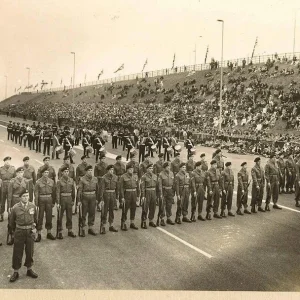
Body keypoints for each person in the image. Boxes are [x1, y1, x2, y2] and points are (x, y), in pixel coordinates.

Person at [9, 190, 38, 283]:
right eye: (24, 196)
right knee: (17, 252)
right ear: (20, 198)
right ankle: (16, 272)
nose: (26, 198)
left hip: (30, 232)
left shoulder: (32, 206)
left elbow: (36, 219)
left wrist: (34, 228)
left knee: (30, 251)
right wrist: (14, 232)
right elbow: (11, 222)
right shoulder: (15, 208)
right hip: (19, 231)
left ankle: (29, 269)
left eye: (27, 196)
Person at [34, 166, 57, 242]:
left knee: (49, 216)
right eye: (45, 173)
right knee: (40, 217)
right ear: (42, 173)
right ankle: (39, 234)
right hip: (41, 199)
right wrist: (36, 203)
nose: (46, 174)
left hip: (49, 199)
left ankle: (49, 233)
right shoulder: (38, 182)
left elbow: (54, 192)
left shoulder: (51, 181)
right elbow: (36, 193)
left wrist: (53, 201)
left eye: (47, 172)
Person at [77, 165, 99, 236]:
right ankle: (82, 228)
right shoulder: (82, 179)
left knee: (92, 212)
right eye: (89, 170)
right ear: (86, 171)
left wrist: (97, 199)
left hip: (93, 196)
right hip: (85, 197)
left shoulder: (95, 179)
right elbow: (80, 190)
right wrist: (79, 200)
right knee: (84, 213)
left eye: (91, 170)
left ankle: (90, 228)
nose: (90, 172)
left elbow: (97, 189)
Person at [56, 166, 76, 239]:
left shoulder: (71, 180)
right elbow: (57, 192)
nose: (66, 173)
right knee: (60, 216)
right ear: (62, 172)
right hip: (62, 199)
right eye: (65, 172)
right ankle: (60, 231)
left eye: (67, 172)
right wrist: (58, 202)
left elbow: (73, 191)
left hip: (69, 199)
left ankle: (70, 230)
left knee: (69, 215)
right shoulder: (59, 181)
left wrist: (73, 200)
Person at [119, 162, 140, 231]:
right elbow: (121, 188)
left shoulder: (135, 176)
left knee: (133, 208)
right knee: (125, 208)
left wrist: (138, 195)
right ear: (127, 169)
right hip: (127, 193)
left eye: (132, 169)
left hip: (134, 193)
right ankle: (123, 223)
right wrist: (122, 197)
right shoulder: (123, 177)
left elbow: (137, 186)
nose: (131, 170)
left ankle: (132, 222)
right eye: (130, 169)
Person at [99, 165, 118, 234]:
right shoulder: (104, 178)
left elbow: (117, 188)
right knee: (104, 211)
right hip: (106, 195)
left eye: (112, 170)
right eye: (110, 170)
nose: (111, 171)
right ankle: (103, 226)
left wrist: (117, 198)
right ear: (107, 170)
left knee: (111, 211)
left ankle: (111, 225)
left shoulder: (115, 177)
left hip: (113, 194)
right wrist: (101, 199)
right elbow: (101, 189)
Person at [140, 164, 158, 228]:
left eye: (152, 168)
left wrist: (157, 195)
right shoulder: (144, 177)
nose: (151, 169)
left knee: (153, 207)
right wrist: (143, 196)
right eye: (149, 168)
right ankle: (144, 221)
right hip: (147, 192)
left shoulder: (155, 176)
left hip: (153, 192)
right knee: (145, 207)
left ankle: (151, 220)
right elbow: (142, 187)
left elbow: (157, 186)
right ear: (147, 169)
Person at [0, 156, 16, 222]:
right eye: (6, 161)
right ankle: (1, 214)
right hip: (3, 187)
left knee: (10, 201)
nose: (8, 162)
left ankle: (10, 214)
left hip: (10, 187)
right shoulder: (1, 169)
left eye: (9, 161)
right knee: (2, 201)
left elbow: (15, 178)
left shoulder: (13, 169)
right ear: (4, 162)